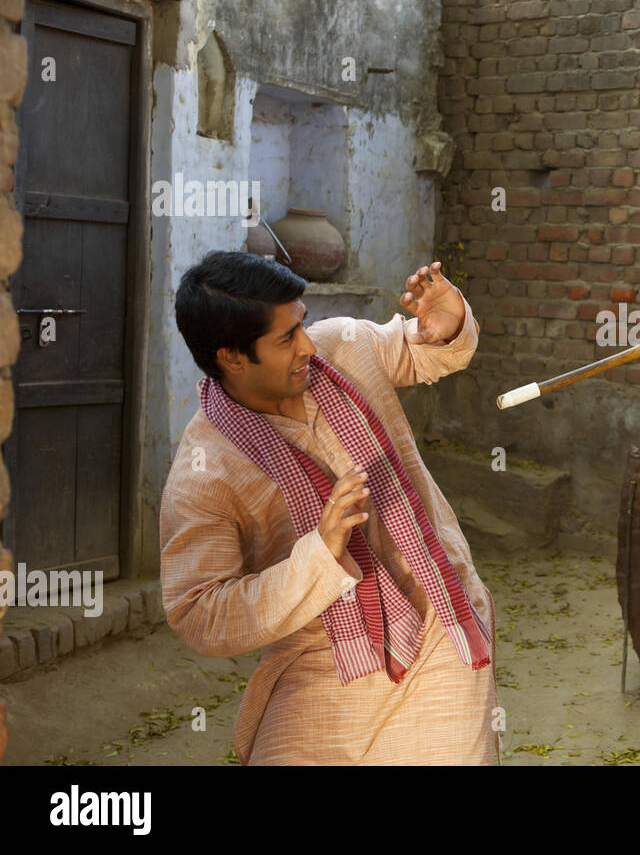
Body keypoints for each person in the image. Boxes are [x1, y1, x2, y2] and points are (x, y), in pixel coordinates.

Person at [160, 251, 498, 764]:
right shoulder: (203, 473)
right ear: (230, 357)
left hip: (438, 620)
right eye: (286, 338)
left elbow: (426, 352)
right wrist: (318, 556)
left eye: (303, 324)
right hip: (321, 654)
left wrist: (446, 325)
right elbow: (199, 613)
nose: (307, 346)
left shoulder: (344, 347)